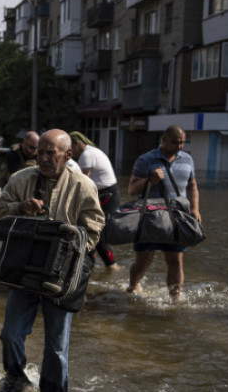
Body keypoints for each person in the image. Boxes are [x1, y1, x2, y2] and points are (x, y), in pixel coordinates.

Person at [0, 129, 104, 392]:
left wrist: (69, 251)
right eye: (39, 152)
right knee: (10, 334)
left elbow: (93, 229)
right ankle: (15, 377)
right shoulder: (20, 179)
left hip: (60, 278)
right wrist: (21, 207)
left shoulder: (83, 186)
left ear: (68, 155)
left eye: (50, 152)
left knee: (56, 347)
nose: (42, 158)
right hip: (23, 271)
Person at [126, 124, 201, 301]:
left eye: (182, 142)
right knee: (144, 261)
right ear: (164, 140)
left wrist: (195, 209)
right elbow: (131, 189)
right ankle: (132, 286)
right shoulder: (146, 159)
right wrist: (150, 181)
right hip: (149, 216)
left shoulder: (187, 159)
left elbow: (192, 186)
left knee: (176, 260)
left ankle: (174, 300)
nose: (179, 146)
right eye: (175, 142)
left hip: (176, 216)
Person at [70, 131, 119, 269]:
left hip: (107, 196)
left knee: (96, 233)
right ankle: (90, 266)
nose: (71, 151)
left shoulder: (87, 155)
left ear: (78, 144)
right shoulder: (92, 151)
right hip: (105, 194)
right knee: (88, 230)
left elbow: (82, 182)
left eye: (71, 147)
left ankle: (112, 266)